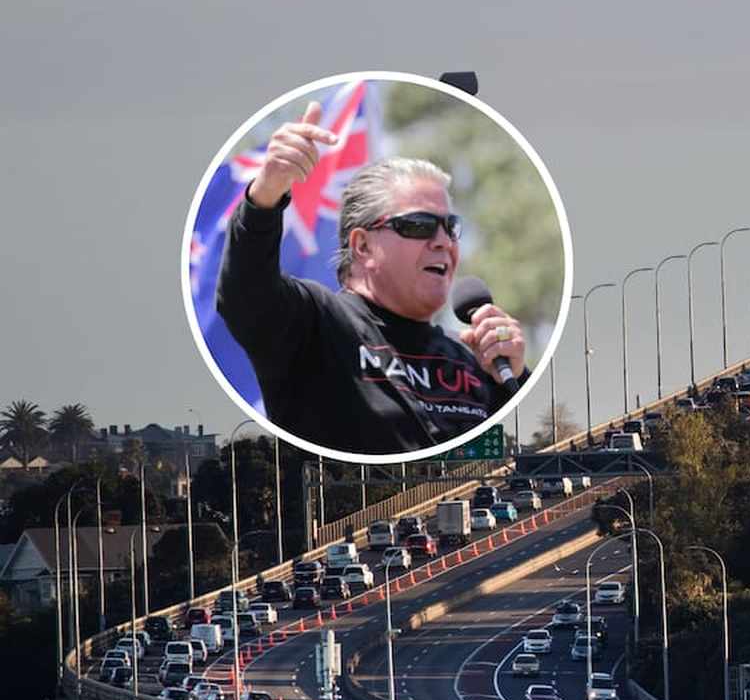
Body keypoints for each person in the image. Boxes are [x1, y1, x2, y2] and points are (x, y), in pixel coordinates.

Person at [216, 100, 527, 454]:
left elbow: (510, 455)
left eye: (450, 227)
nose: (442, 241)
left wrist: (512, 375)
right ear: (362, 245)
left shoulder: (469, 360)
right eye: (419, 225)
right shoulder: (318, 324)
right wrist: (266, 194)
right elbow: (245, 293)